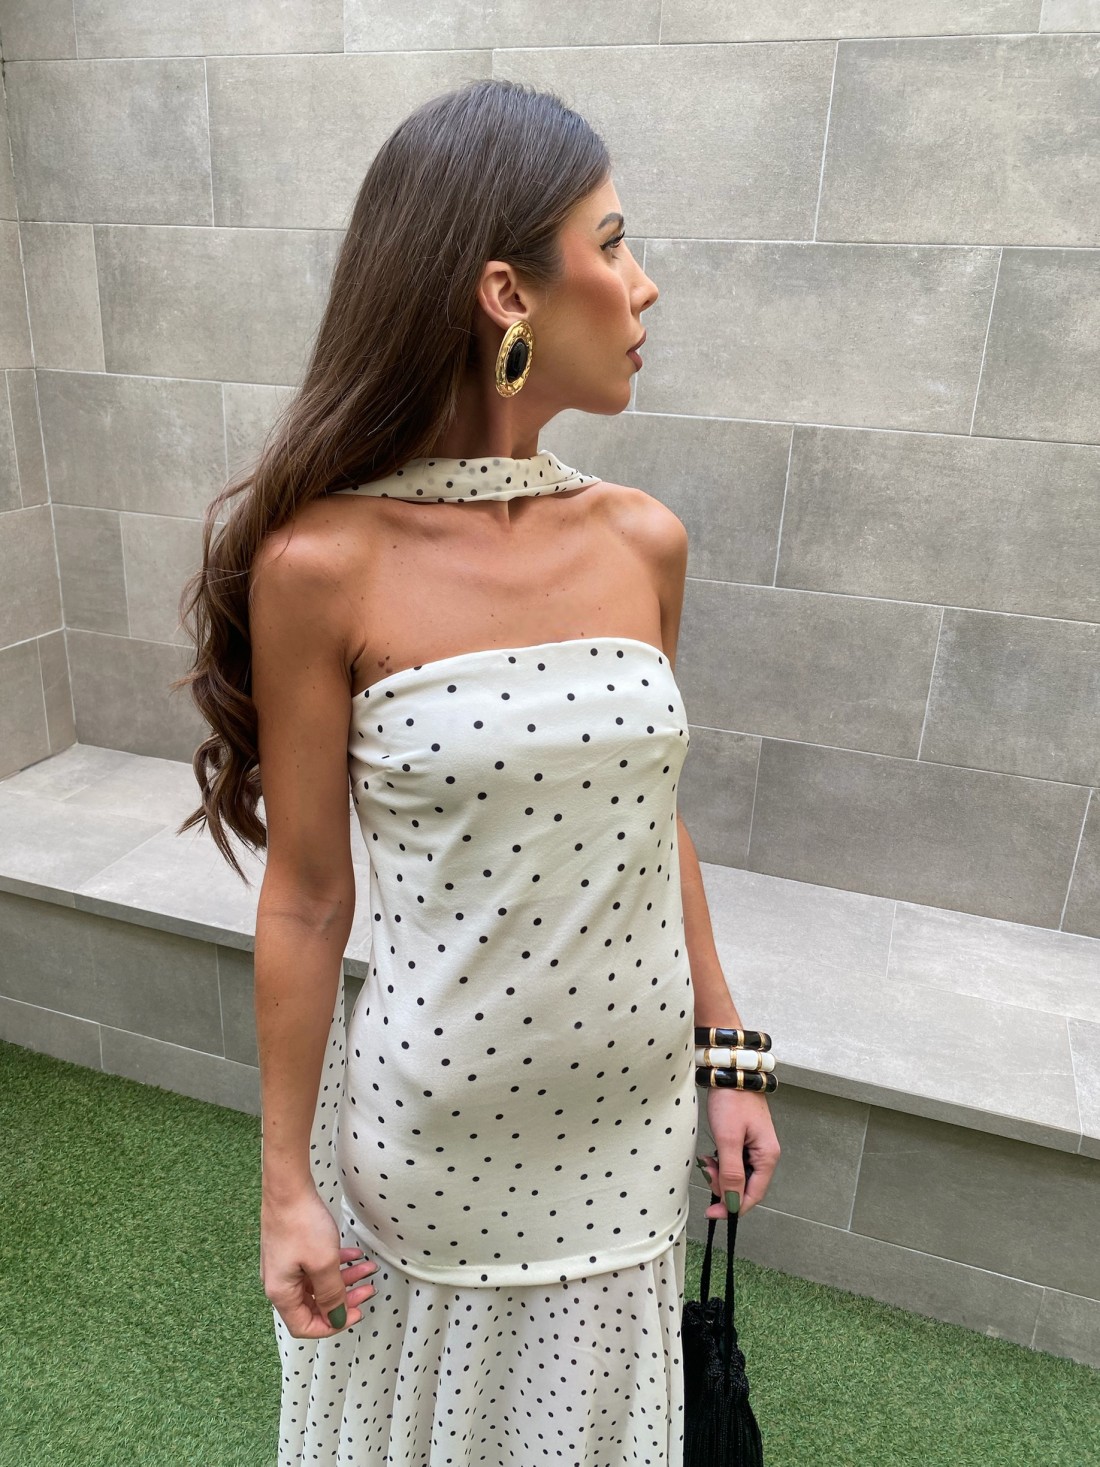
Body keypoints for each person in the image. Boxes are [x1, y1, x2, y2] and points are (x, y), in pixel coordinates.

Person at [176, 76, 780, 1467]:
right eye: (612, 243)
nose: (644, 283)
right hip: (437, 1152)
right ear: (507, 293)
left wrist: (730, 1053)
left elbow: (651, 818)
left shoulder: (643, 541)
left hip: (634, 1135)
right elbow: (307, 898)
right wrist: (282, 1185)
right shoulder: (320, 567)